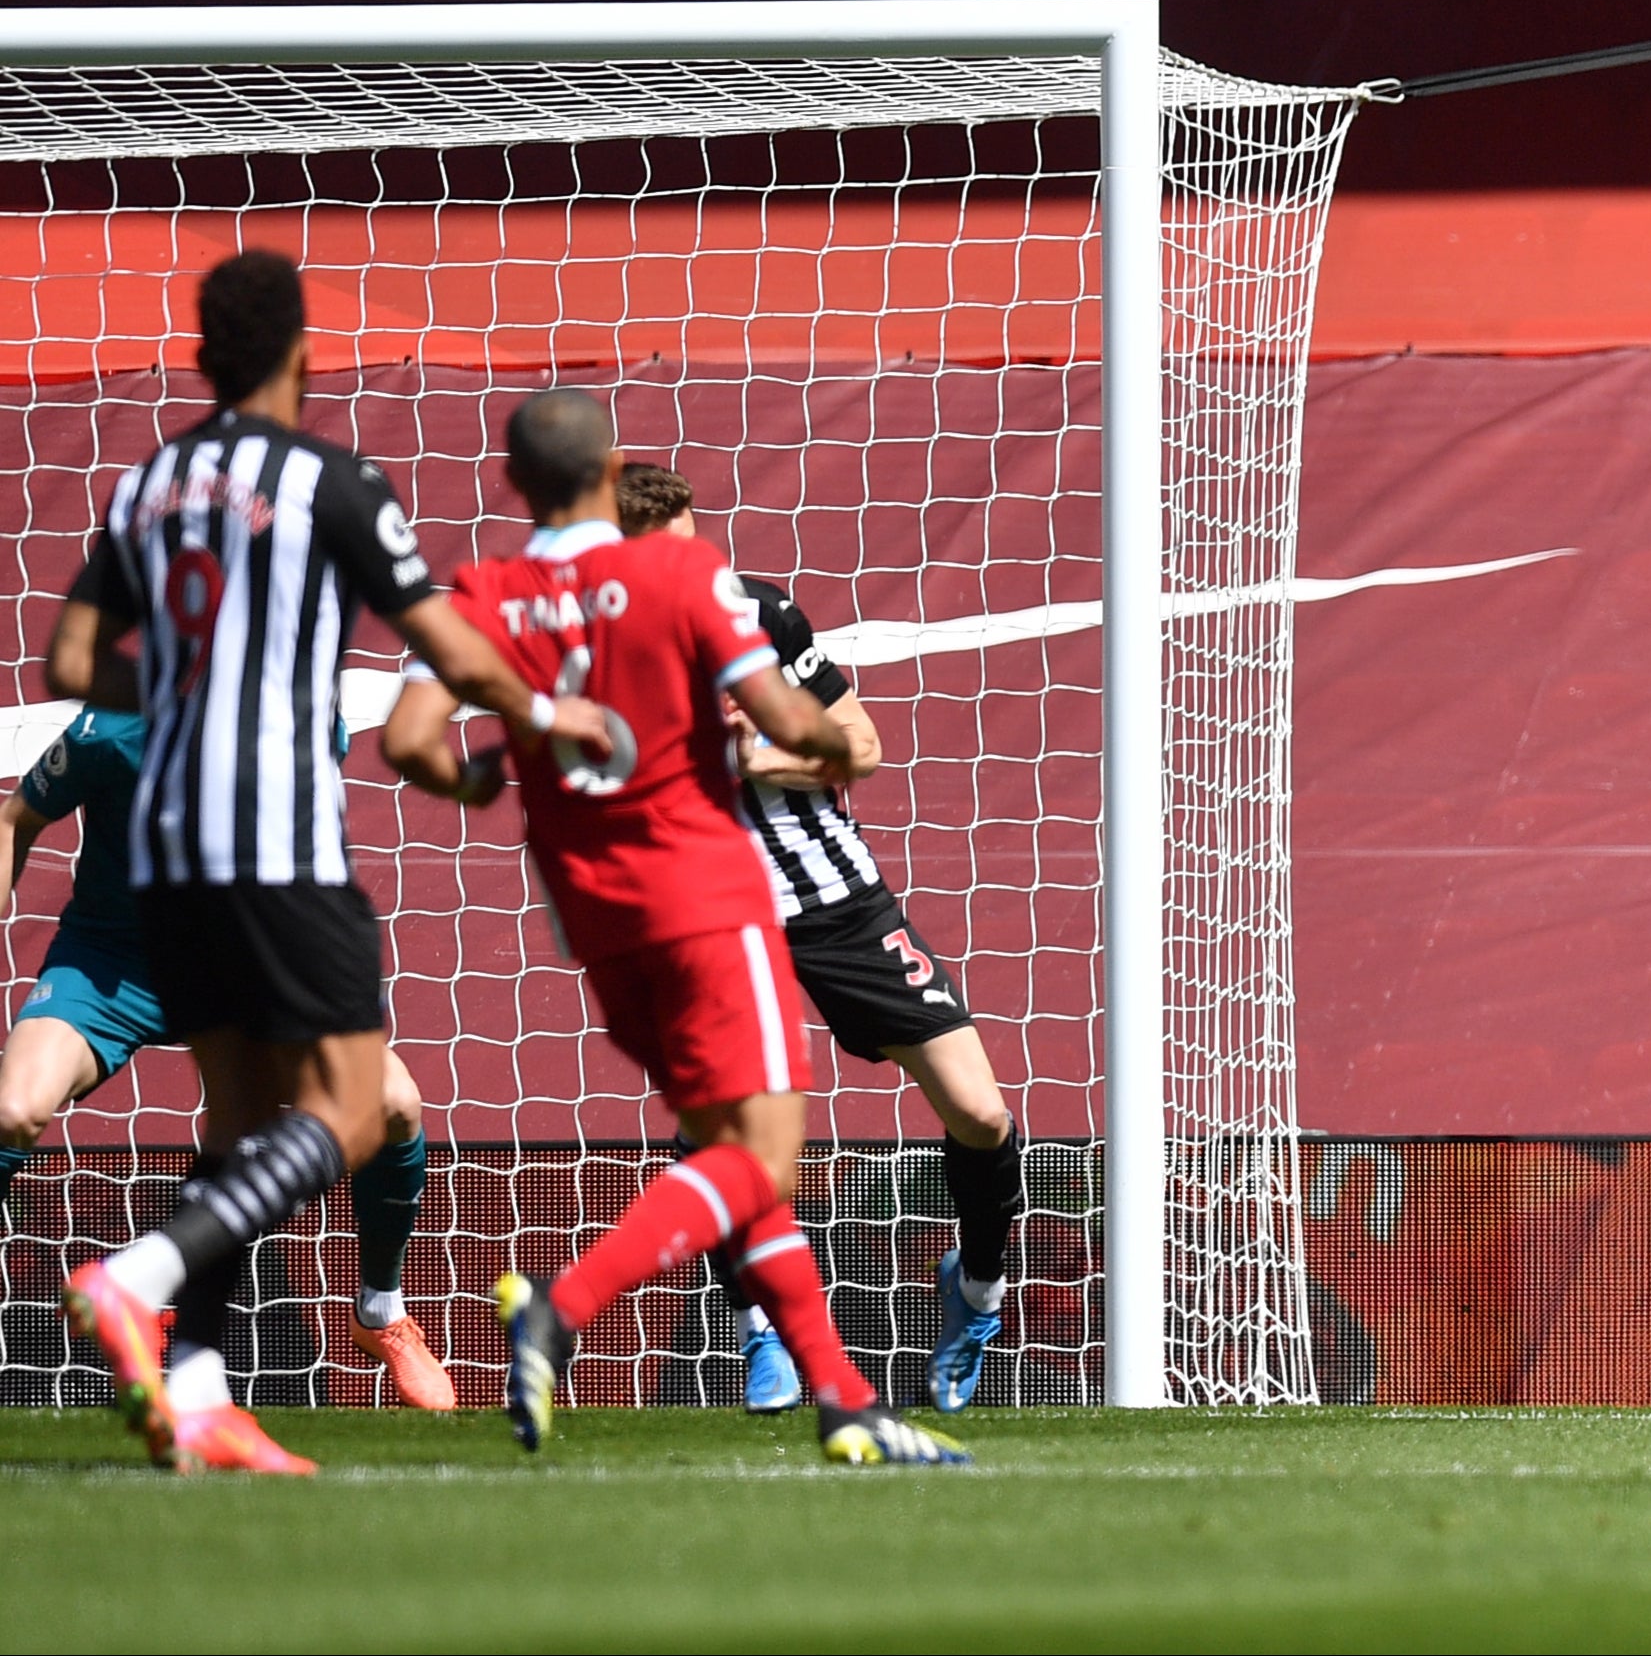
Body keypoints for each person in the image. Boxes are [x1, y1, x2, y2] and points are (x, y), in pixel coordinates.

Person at [52, 248, 612, 1475]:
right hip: (276, 840)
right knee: (353, 1111)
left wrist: (191, 689)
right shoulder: (329, 480)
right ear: (305, 352)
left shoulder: (148, 486)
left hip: (159, 854)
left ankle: (196, 1394)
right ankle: (136, 1277)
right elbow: (450, 651)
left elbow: (75, 660)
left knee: (239, 1119)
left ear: (203, 357)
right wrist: (547, 717)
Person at [382, 390, 965, 1467]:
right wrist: (827, 755)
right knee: (759, 1158)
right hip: (705, 894)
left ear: (517, 484)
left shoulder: (482, 593)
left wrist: (474, 780)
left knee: (731, 1152)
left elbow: (409, 741)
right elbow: (795, 720)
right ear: (611, 471)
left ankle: (841, 1398)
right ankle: (560, 1307)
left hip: (595, 918)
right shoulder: (683, 574)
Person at [614, 462, 1024, 1413]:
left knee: (980, 1113)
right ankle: (765, 1333)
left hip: (838, 901)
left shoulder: (761, 614)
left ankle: (975, 1296)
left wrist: (759, 747)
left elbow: (863, 745)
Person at [0, 704, 455, 1410]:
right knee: (11, 1111)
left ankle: (381, 1310)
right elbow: (14, 819)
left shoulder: (301, 716)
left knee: (393, 1102)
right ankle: (165, 1321)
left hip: (247, 964)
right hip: (115, 962)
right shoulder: (116, 727)